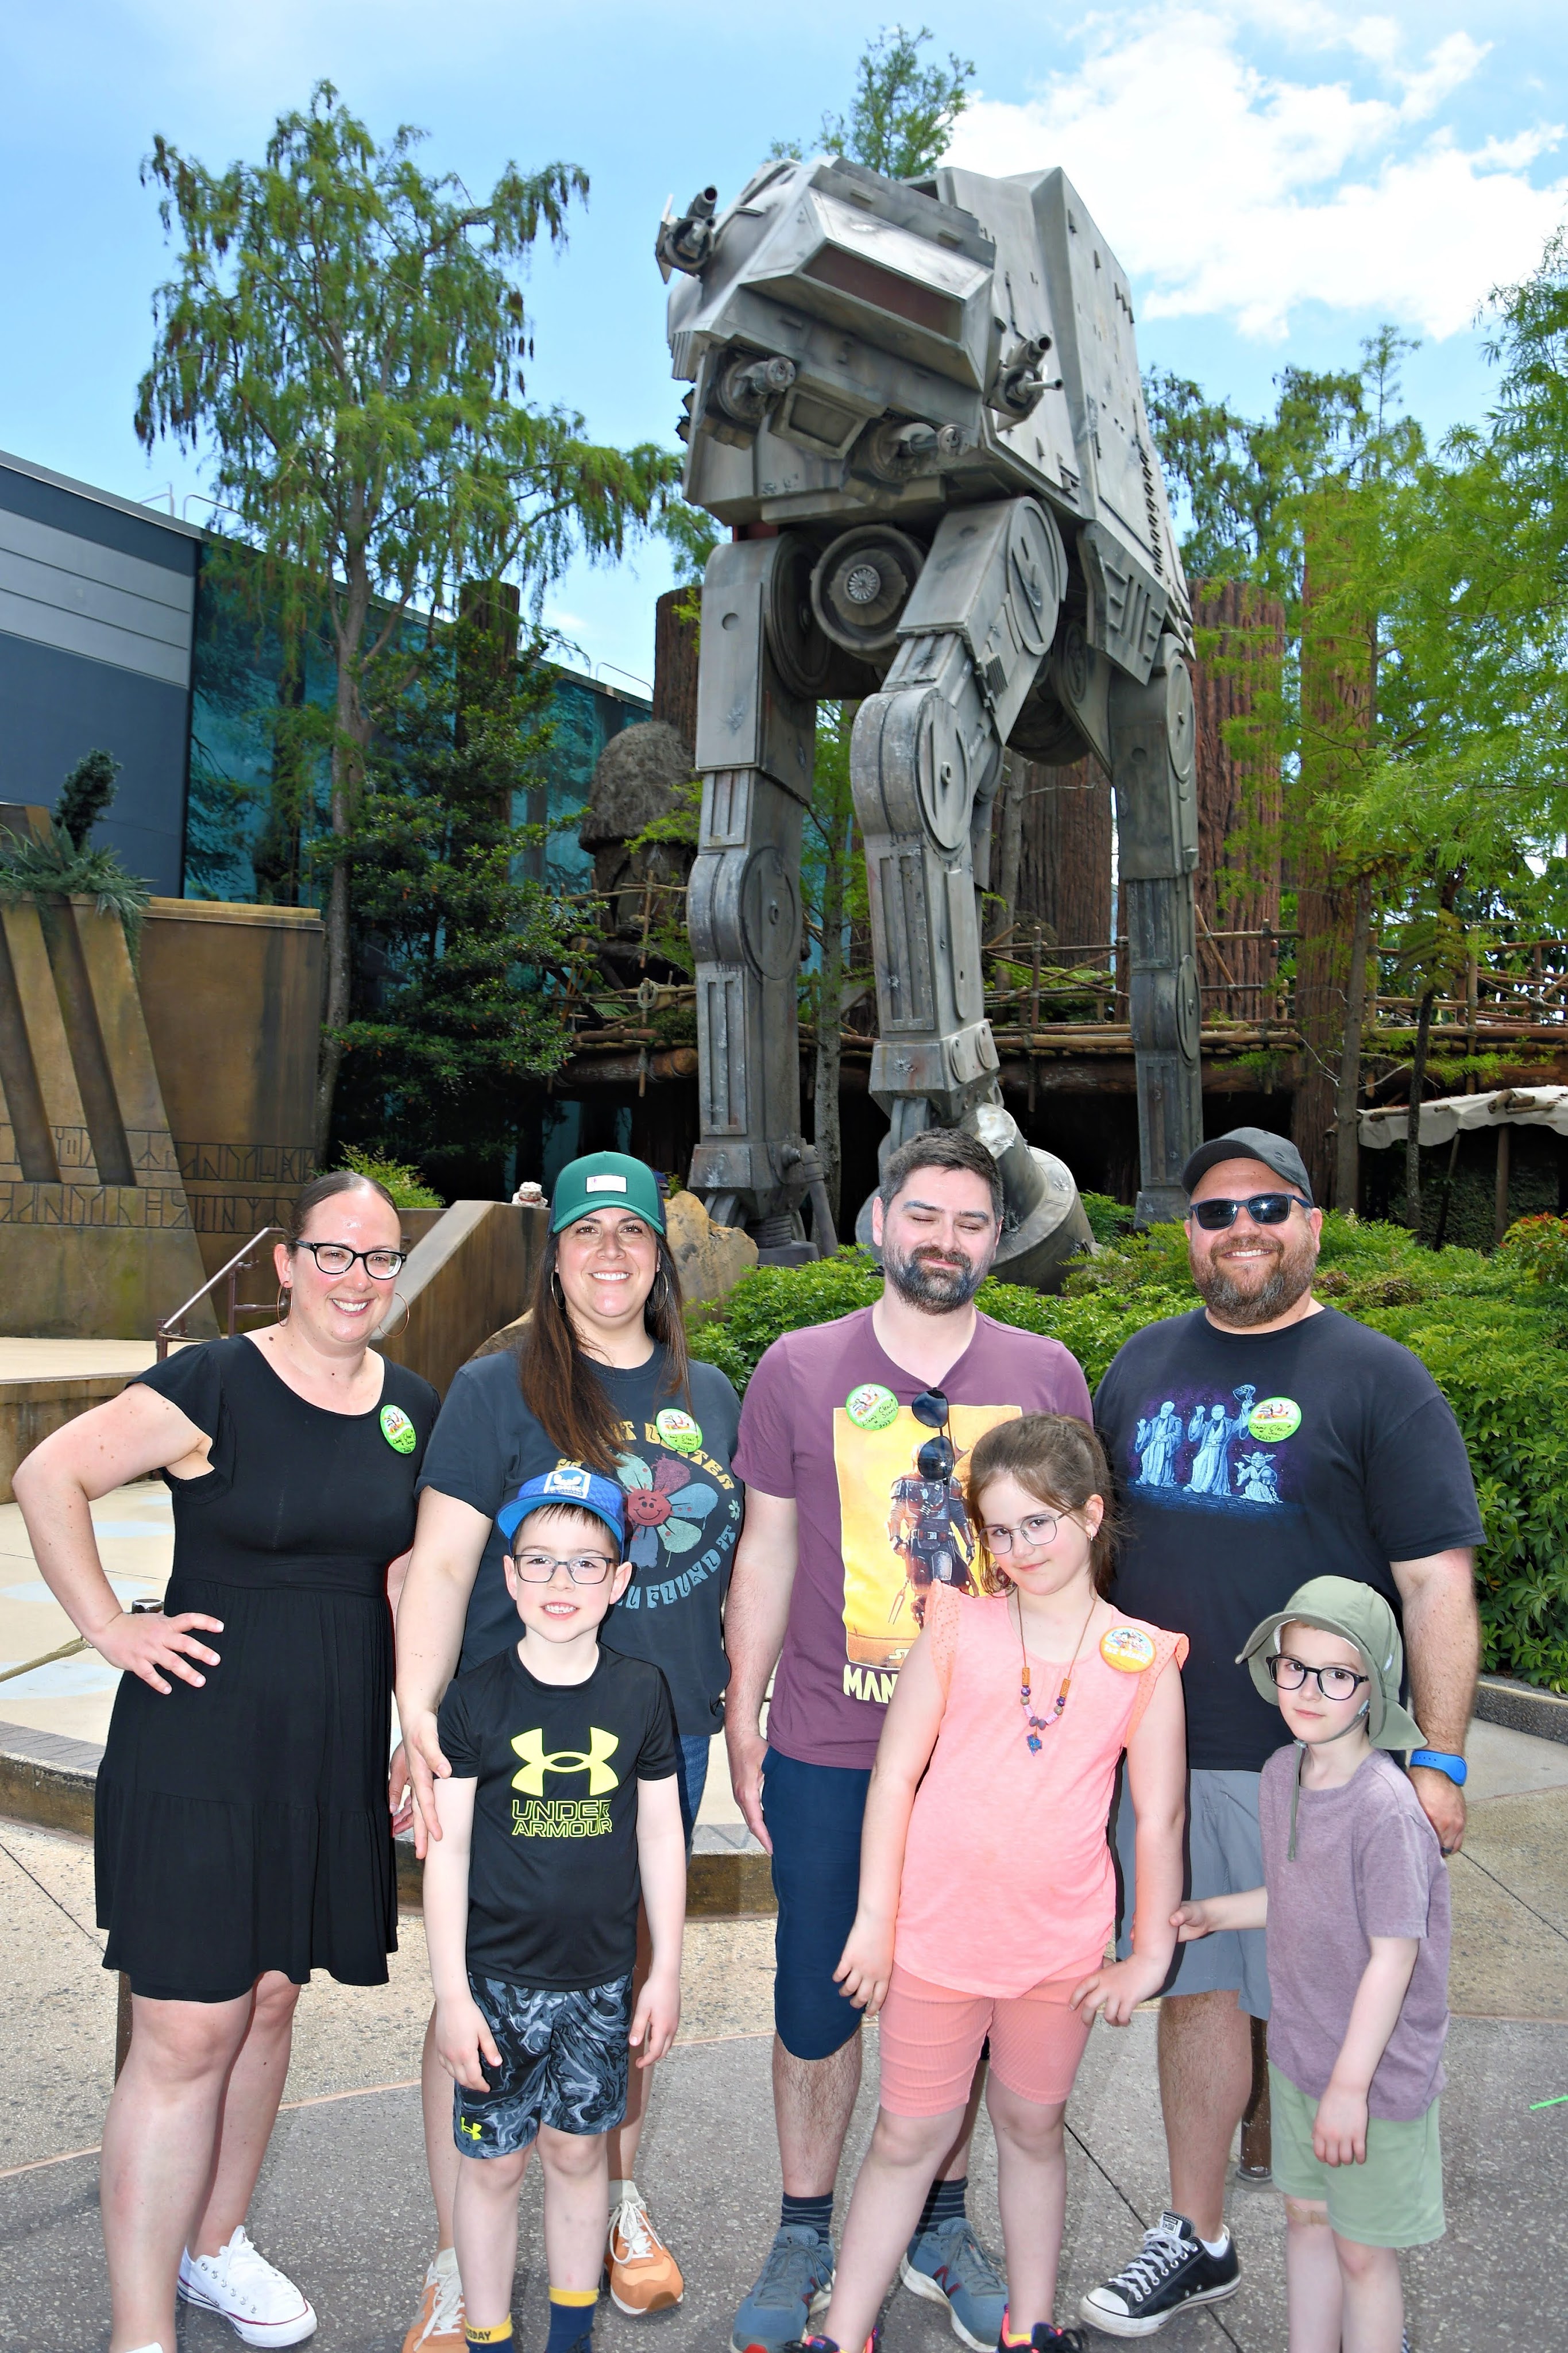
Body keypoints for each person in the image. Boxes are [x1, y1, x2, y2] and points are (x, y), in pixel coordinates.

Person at [14, 1170, 438, 2353]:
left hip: (328, 1748)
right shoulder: (215, 1380)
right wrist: (109, 1624)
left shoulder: (413, 1405)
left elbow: (407, 1575)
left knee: (269, 2000)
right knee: (189, 2027)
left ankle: (213, 2243)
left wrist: (411, 1725)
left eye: (379, 1258)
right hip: (202, 1741)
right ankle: (141, 2328)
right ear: (287, 1263)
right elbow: (50, 1474)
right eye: (333, 1252)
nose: (356, 1277)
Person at [1081, 1127, 1481, 2339]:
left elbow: (1436, 1585)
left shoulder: (1379, 1378)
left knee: (1334, 2002)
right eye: (1215, 1211)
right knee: (1197, 1989)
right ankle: (1196, 2233)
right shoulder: (1138, 1364)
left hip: (1325, 1767)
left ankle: (1349, 2238)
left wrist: (1439, 1760)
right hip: (1167, 1752)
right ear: (1187, 1235)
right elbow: (1087, 1550)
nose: (1241, 1228)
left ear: (1310, 1221)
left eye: (1268, 1205)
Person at [726, 1127, 1094, 2353]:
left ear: (997, 1239)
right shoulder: (799, 1366)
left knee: (973, 1992)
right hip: (833, 1737)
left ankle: (941, 2220)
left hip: (993, 1753)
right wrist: (743, 1711)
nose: (945, 1241)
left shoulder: (1044, 1369)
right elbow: (767, 1548)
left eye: (971, 1222)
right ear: (880, 1221)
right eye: (924, 1216)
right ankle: (803, 2224)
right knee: (818, 1996)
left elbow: (1072, 1561)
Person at [396, 1152, 744, 2351]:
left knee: (622, 1975)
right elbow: (443, 1564)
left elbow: (746, 1561)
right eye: (586, 1232)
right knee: (480, 1981)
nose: (609, 1252)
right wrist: (416, 1715)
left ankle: (612, 2194)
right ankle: (460, 2255)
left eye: (631, 1232)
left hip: (660, 1733)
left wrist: (742, 1703)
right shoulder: (496, 1388)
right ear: (554, 1258)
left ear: (661, 1254)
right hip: (513, 1742)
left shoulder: (712, 1392)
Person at [800, 1414, 1187, 2353]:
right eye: (999, 1531)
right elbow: (894, 1776)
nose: (1017, 1550)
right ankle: (843, 2333)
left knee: (1031, 2126)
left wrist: (1148, 1955)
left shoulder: (1142, 1656)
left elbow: (1158, 1818)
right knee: (907, 2136)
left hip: (1057, 1950)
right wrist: (874, 1921)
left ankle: (1032, 2325)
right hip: (934, 1939)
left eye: (1038, 1524)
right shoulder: (955, 1625)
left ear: (1089, 1514)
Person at [423, 1467, 686, 2353]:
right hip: (496, 1984)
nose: (559, 1582)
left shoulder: (641, 1691)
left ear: (619, 1580)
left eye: (585, 1563)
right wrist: (451, 1996)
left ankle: (570, 2339)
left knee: (579, 2156)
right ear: (509, 1576)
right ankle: (488, 2335)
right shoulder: (474, 1698)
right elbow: (448, 1850)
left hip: (600, 1982)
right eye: (537, 1561)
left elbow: (660, 1836)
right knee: (493, 2165)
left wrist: (663, 1972)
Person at [1176, 1578, 1449, 2353]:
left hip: (1373, 2077)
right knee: (1305, 2220)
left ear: (1372, 1689)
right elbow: (1298, 1895)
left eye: (1336, 1676)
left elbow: (1393, 1958)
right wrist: (1216, 1913)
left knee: (1362, 2252)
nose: (1307, 1690)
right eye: (1295, 1667)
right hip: (1302, 2055)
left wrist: (1350, 2090)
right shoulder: (1281, 1775)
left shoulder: (1385, 1809)